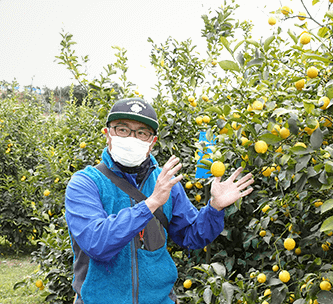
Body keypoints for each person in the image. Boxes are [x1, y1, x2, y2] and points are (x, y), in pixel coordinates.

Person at [65, 98, 254, 304]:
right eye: (122, 129)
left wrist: (214, 208)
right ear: (108, 134)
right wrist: (151, 203)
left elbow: (191, 236)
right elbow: (97, 243)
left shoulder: (166, 182)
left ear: (152, 142)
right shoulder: (85, 183)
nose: (132, 138)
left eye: (141, 133)